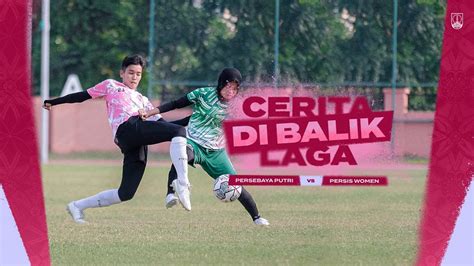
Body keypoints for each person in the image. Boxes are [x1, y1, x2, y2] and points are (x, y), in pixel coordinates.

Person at [43, 54, 192, 224]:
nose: (134, 77)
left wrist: (192, 119)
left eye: (138, 74)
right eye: (130, 72)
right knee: (178, 132)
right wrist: (54, 102)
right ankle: (181, 184)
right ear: (121, 72)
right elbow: (82, 95)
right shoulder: (111, 85)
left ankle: (77, 206)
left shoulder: (143, 100)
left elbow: (165, 125)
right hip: (127, 129)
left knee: (126, 193)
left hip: (137, 139)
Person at [141, 67, 270, 226]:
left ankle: (257, 218)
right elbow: (176, 103)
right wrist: (151, 113)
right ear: (221, 84)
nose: (231, 91)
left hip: (216, 152)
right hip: (194, 141)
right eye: (228, 86)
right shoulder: (203, 93)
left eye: (235, 88)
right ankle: (170, 194)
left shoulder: (237, 106)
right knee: (182, 155)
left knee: (236, 185)